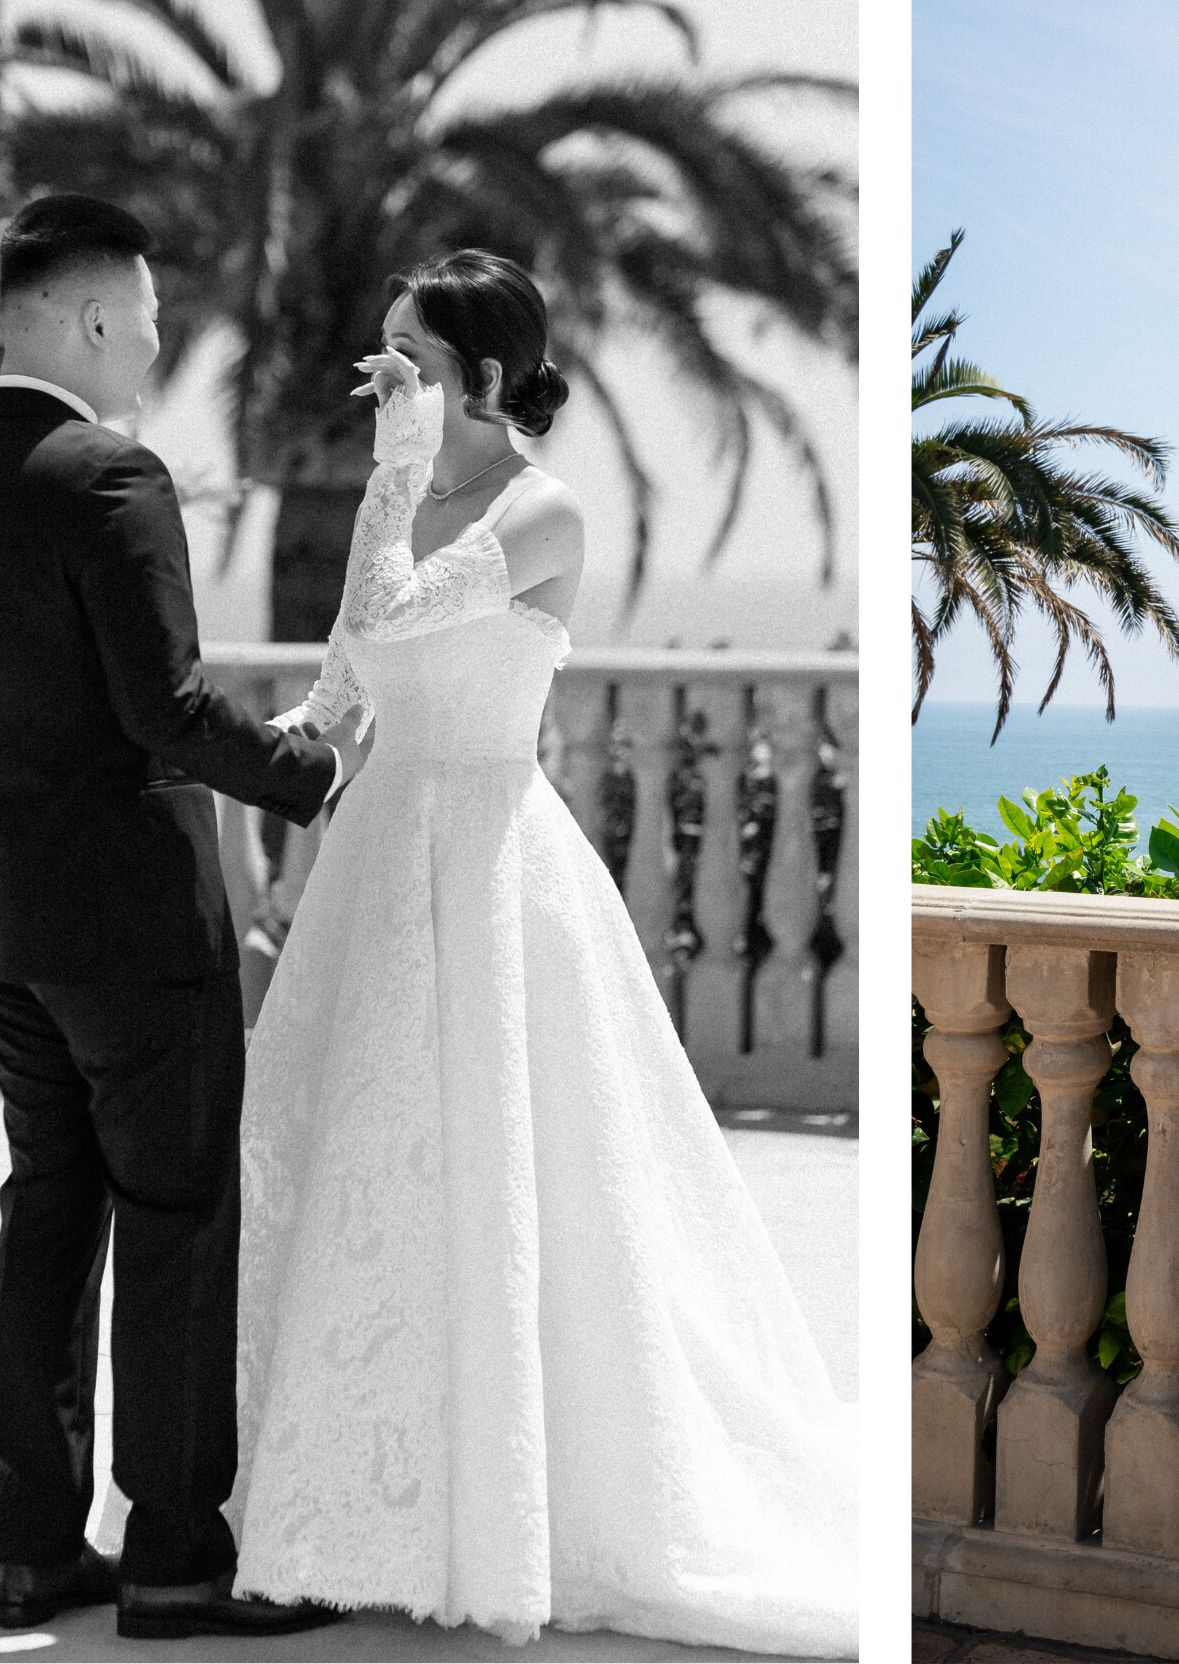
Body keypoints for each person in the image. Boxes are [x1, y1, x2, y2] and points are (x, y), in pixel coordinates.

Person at [190, 249, 856, 1656]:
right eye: (381, 357)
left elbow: (405, 611)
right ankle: (317, 1514)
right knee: (348, 1166)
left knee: (493, 1175)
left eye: (412, 364)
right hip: (377, 858)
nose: (387, 384)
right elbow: (344, 683)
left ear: (487, 380)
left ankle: (487, 1508)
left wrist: (388, 474)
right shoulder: (412, 500)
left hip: (492, 861)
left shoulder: (541, 510)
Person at [0, 192, 358, 1641]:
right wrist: (308, 770)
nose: (157, 346)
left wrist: (33, 795)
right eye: (148, 320)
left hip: (7, 927)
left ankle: (31, 1551)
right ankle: (172, 1563)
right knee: (175, 1223)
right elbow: (165, 707)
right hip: (140, 930)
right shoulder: (113, 479)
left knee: (48, 1212)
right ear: (91, 320)